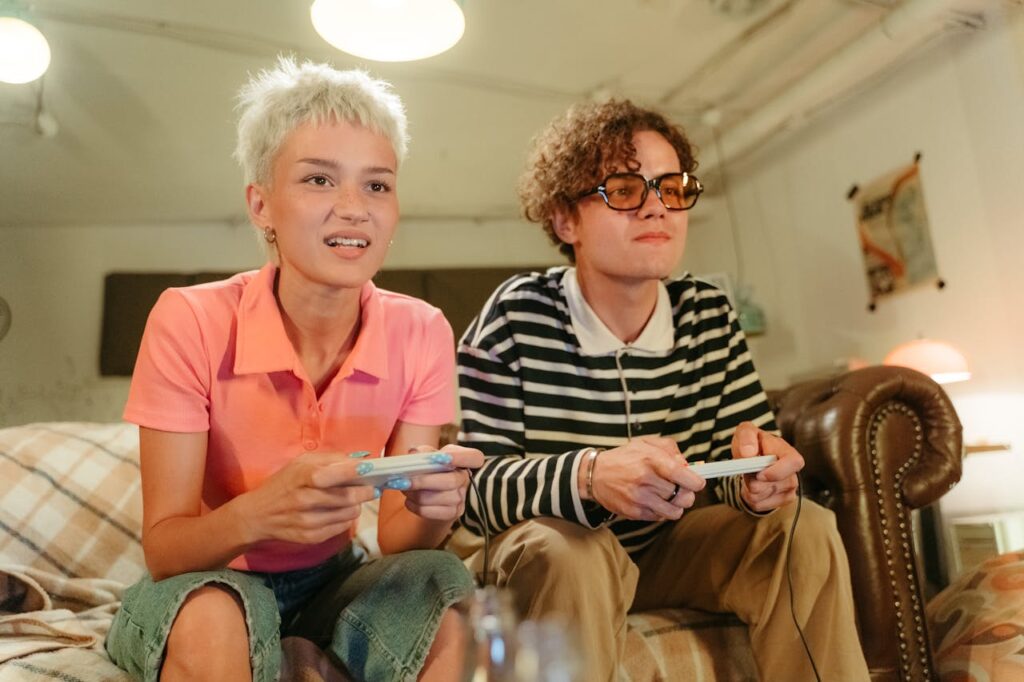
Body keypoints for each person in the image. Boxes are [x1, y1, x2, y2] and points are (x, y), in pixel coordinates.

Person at [453, 99, 871, 681]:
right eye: (624, 190)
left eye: (672, 188)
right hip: (567, 560)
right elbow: (475, 489)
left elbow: (746, 460)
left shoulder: (710, 315)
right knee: (567, 551)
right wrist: (592, 475)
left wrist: (760, 477)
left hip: (677, 553)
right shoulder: (514, 316)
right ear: (564, 219)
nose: (657, 208)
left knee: (805, 527)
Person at [105, 57, 483, 682]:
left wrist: (437, 505)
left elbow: (398, 541)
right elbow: (165, 547)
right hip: (211, 577)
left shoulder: (423, 330)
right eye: (318, 180)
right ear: (261, 205)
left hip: (336, 579)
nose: (354, 208)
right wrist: (259, 513)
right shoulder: (189, 318)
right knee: (212, 616)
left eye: (377, 185)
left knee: (443, 580)